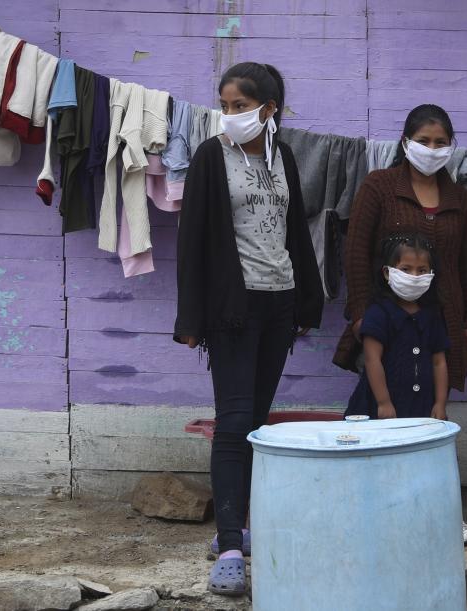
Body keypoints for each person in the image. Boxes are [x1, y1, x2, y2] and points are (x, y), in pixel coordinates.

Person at [173, 62, 323, 596]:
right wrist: (190, 319)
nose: (231, 114)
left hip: (278, 306)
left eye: (241, 105)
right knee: (234, 422)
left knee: (257, 421)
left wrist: (308, 299)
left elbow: (295, 233)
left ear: (269, 109)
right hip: (232, 310)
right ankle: (231, 546)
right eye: (226, 104)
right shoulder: (211, 156)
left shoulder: (282, 156)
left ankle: (237, 527)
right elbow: (192, 240)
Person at [334, 104, 467, 395]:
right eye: (424, 141)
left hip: (442, 323)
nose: (431, 149)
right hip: (386, 319)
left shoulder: (459, 197)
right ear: (405, 142)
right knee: (383, 405)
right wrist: (361, 315)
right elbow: (356, 255)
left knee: (431, 410)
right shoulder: (379, 186)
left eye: (440, 143)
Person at [345, 232, 449, 420]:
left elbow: (438, 362)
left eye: (422, 270)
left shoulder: (432, 314)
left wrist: (440, 403)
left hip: (421, 407)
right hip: (380, 408)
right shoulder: (378, 313)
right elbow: (372, 359)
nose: (414, 277)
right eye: (406, 269)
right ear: (387, 272)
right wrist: (384, 402)